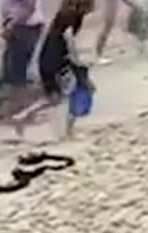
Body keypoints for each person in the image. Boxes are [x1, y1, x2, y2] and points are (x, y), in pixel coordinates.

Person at [12, 0, 94, 139]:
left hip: (47, 59)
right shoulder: (74, 17)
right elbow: (68, 37)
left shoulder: (64, 13)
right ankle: (69, 132)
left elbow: (53, 37)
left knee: (53, 97)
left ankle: (22, 117)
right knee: (77, 89)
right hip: (57, 62)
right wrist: (76, 60)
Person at [0, 0, 46, 124]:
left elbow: (30, 5)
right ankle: (18, 110)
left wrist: (12, 24)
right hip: (19, 26)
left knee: (19, 72)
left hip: (24, 27)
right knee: (13, 71)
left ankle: (24, 112)